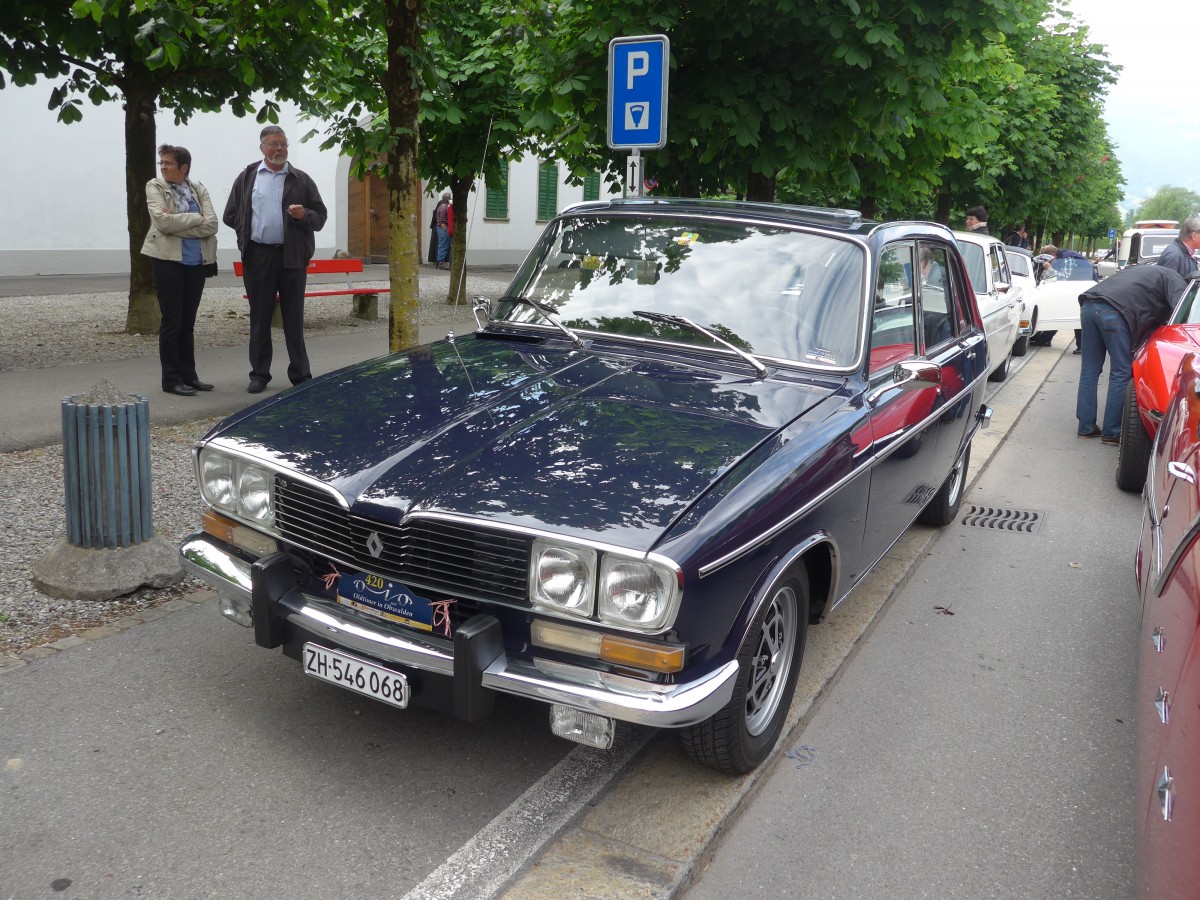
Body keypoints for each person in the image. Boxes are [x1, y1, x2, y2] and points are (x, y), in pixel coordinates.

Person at [223, 125, 328, 393]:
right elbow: (230, 215)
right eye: (273, 144)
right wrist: (246, 237)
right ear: (262, 147)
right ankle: (259, 374)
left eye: (283, 144)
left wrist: (303, 215)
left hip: (292, 257)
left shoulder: (300, 179)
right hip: (258, 256)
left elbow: (320, 216)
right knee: (260, 318)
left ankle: (300, 375)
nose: (279, 149)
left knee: (294, 318)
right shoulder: (248, 177)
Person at [1075, 264, 1185, 443]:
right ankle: (1112, 432)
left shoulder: (1143, 270)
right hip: (1113, 311)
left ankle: (1085, 428)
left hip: (1089, 304)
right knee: (1120, 372)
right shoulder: (1175, 278)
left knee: (1089, 370)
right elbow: (1181, 313)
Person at [141, 144, 219, 396]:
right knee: (172, 322)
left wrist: (178, 223)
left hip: (197, 263)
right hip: (168, 262)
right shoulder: (155, 187)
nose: (163, 167)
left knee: (188, 323)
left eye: (168, 163)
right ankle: (171, 380)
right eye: (161, 163)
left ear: (183, 167)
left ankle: (190, 376)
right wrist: (197, 219)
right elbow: (162, 222)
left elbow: (213, 224)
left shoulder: (198, 188)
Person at [434, 191, 453, 269]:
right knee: (443, 246)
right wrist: (445, 230)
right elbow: (442, 221)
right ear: (447, 199)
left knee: (443, 245)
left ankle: (441, 262)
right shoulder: (443, 207)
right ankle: (441, 263)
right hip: (442, 228)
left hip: (442, 228)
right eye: (450, 197)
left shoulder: (443, 206)